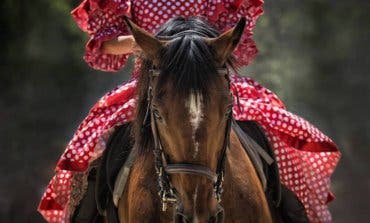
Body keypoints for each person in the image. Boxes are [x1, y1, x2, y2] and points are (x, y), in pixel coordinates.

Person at [38, 1, 340, 222]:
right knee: (95, 150)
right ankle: (87, 213)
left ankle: (289, 211)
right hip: (155, 84)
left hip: (207, 79)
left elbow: (233, 35)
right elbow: (105, 44)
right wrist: (152, 44)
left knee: (275, 136)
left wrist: (197, 44)